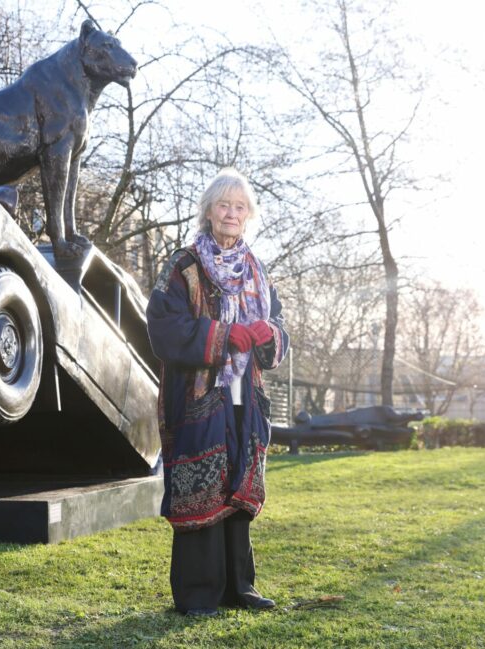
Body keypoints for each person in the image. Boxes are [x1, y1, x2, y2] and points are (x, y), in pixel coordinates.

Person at [146, 168, 290, 617]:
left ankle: (239, 588)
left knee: (236, 489)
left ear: (248, 216)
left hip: (246, 396)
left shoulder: (257, 270)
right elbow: (164, 328)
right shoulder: (183, 264)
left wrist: (268, 334)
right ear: (208, 211)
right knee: (200, 489)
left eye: (240, 207)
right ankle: (198, 594)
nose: (231, 213)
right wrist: (227, 336)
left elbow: (280, 328)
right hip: (197, 397)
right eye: (224, 205)